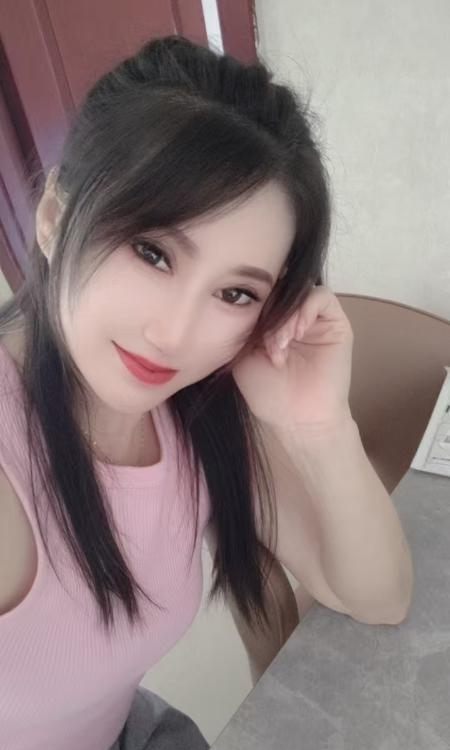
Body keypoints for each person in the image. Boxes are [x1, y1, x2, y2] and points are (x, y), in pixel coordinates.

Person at [0, 34, 413, 750]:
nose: (175, 334)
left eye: (235, 293)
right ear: (55, 218)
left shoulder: (200, 406)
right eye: (152, 251)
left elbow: (379, 597)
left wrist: (321, 427)